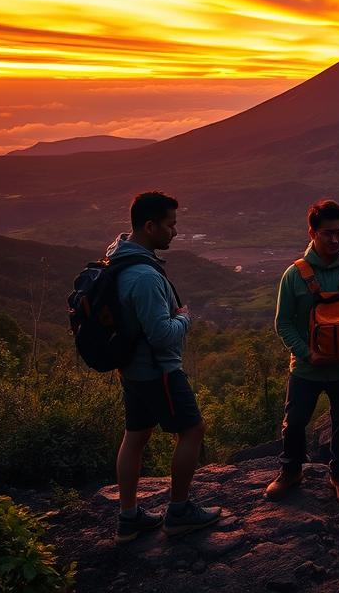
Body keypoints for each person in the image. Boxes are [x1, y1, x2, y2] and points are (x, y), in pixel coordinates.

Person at [111, 191, 221, 542]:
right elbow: (161, 335)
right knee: (192, 430)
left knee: (136, 436)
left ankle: (129, 518)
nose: (175, 232)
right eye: (170, 225)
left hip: (132, 369)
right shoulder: (143, 276)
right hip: (159, 371)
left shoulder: (118, 258)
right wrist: (184, 319)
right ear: (149, 226)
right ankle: (179, 511)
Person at [265, 199, 339, 504]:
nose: (335, 239)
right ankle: (290, 472)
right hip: (306, 368)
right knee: (294, 423)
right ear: (312, 233)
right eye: (328, 233)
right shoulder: (294, 275)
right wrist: (306, 354)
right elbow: (284, 323)